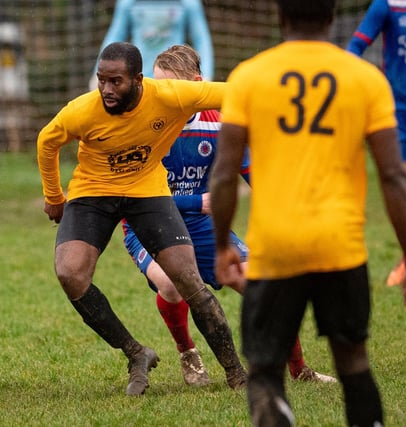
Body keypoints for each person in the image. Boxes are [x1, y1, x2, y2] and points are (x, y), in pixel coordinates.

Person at [210, 0, 406, 426]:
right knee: (353, 362)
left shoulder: (249, 76)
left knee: (265, 367)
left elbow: (222, 175)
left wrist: (222, 246)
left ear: (280, 15)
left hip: (276, 249)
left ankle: (275, 413)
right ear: (332, 17)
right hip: (340, 248)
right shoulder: (365, 79)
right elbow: (394, 177)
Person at [37, 41, 247, 397]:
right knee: (69, 272)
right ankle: (136, 353)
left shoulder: (170, 96)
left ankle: (236, 373)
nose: (105, 89)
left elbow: (236, 93)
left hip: (146, 191)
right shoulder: (82, 110)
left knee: (186, 278)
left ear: (138, 80)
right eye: (101, 80)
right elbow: (47, 141)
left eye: (115, 81)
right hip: (93, 193)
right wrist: (54, 197)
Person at [122, 44, 336, 387]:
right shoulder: (142, 124)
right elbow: (135, 198)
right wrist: (196, 202)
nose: (166, 95)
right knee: (171, 283)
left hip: (203, 227)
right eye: (159, 86)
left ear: (198, 83)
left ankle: (299, 370)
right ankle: (188, 354)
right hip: (149, 224)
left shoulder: (220, 122)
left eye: (175, 87)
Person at [347, 0, 406, 287]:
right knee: (401, 188)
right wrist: (362, 83)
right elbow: (354, 50)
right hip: (396, 116)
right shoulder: (387, 5)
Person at [90, 0, 213, 89]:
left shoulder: (188, 3)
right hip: (139, 79)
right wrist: (99, 71)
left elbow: (201, 39)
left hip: (175, 79)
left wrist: (206, 74)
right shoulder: (128, 3)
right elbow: (115, 36)